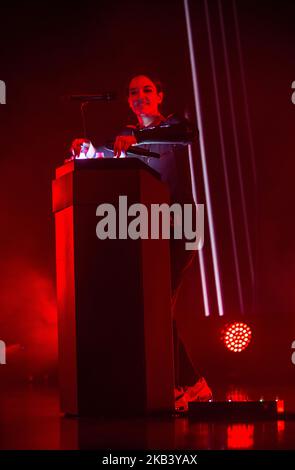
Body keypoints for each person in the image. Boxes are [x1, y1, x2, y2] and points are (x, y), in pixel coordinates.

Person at [70, 74, 212, 409]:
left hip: (183, 225)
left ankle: (189, 383)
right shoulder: (125, 136)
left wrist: (134, 133)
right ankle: (185, 382)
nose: (140, 96)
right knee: (152, 306)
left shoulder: (176, 126)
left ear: (160, 96)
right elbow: (105, 154)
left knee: (159, 304)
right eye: (133, 91)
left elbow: (185, 135)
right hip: (147, 228)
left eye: (147, 90)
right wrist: (86, 147)